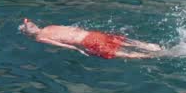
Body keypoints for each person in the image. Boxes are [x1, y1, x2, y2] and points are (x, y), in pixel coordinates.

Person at [19, 19, 164, 59]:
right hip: (90, 36)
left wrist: (77, 49)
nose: (30, 25)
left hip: (88, 40)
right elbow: (69, 31)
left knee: (120, 52)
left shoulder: (41, 35)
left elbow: (61, 43)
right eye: (29, 25)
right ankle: (149, 47)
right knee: (121, 42)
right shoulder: (45, 31)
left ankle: (149, 54)